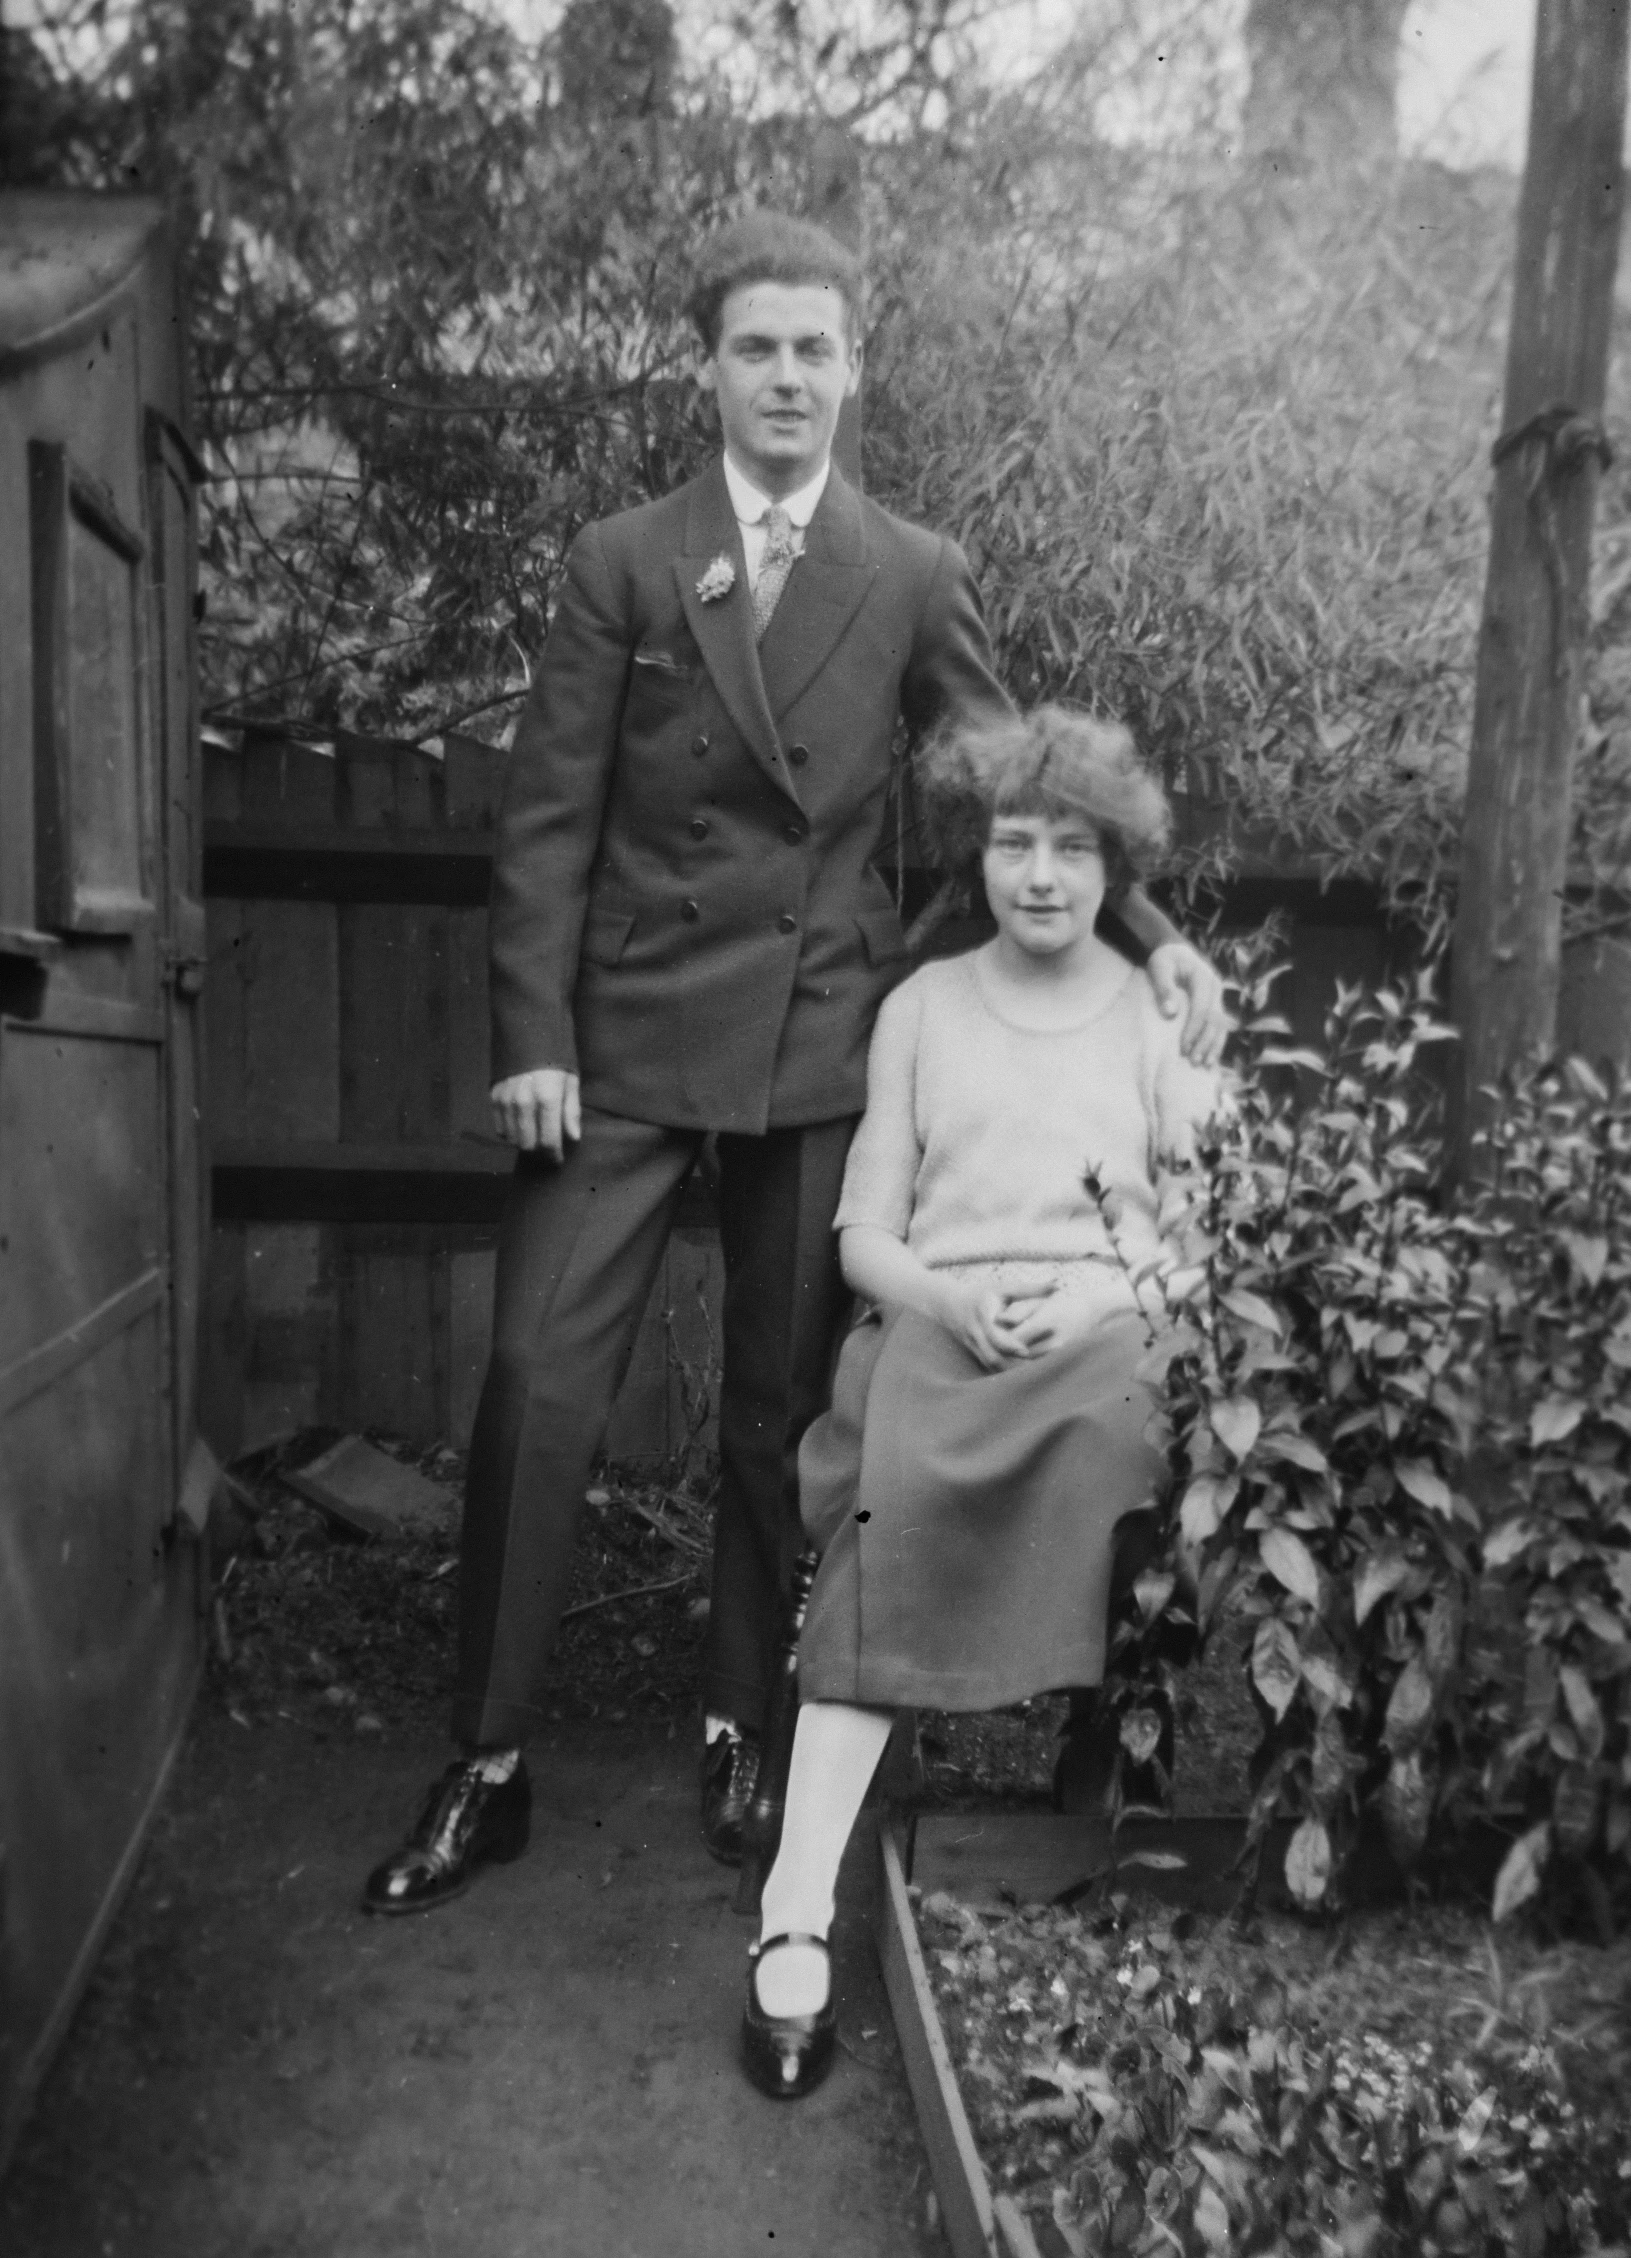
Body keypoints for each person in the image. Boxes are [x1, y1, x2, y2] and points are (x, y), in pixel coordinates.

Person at [362, 212, 1227, 1917]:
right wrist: (532, 1039)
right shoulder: (622, 558)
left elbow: (1008, 775)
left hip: (812, 1041)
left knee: (777, 1407)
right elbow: (545, 822)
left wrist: (1153, 934)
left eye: (811, 348)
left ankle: (739, 1719)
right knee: (535, 1381)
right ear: (708, 369)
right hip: (615, 1044)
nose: (783, 377)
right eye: (753, 347)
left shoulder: (907, 569)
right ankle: (488, 1755)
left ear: (853, 367)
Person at [739, 708, 1218, 2099]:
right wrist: (947, 1301)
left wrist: (1098, 1301)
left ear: (1114, 863)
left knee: (1129, 1440)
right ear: (978, 854)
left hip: (1105, 1328)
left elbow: (1200, 1237)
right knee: (888, 1504)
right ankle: (794, 1916)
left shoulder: (1157, 1017)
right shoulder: (920, 1009)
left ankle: (1105, 1795)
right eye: (1016, 841)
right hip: (944, 1324)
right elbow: (863, 1239)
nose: (1043, 874)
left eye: (1075, 847)